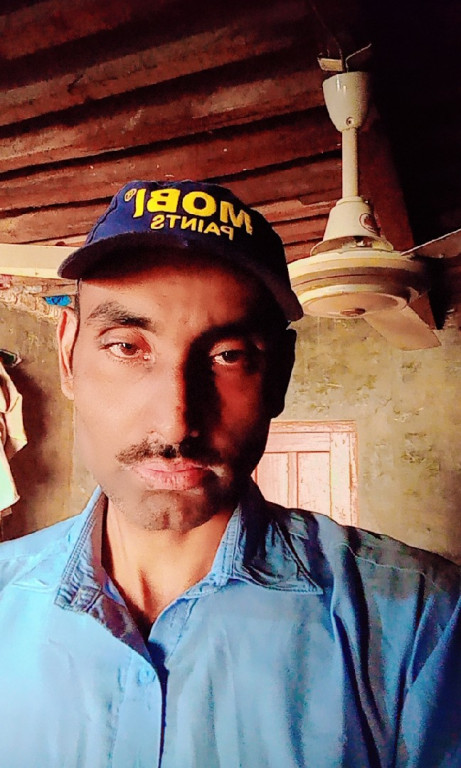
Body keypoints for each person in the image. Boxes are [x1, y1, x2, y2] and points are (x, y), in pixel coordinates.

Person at [0, 180, 459, 768]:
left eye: (229, 356)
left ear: (280, 375)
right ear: (68, 355)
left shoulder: (420, 623)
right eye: (126, 347)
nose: (176, 422)